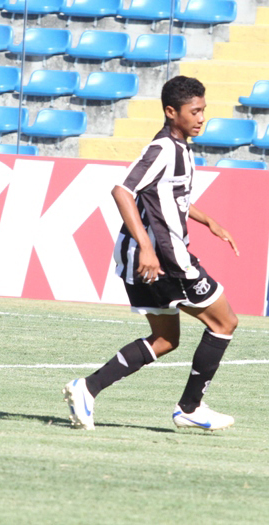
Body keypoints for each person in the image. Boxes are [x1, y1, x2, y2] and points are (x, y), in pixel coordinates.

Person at [63, 76, 240, 431]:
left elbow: (171, 200)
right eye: (195, 111)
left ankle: (87, 388)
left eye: (203, 110)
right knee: (224, 323)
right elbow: (122, 191)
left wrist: (208, 221)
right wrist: (147, 247)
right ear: (171, 112)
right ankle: (190, 407)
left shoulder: (184, 149)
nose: (201, 117)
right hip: (165, 260)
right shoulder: (163, 149)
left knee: (165, 340)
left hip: (152, 259)